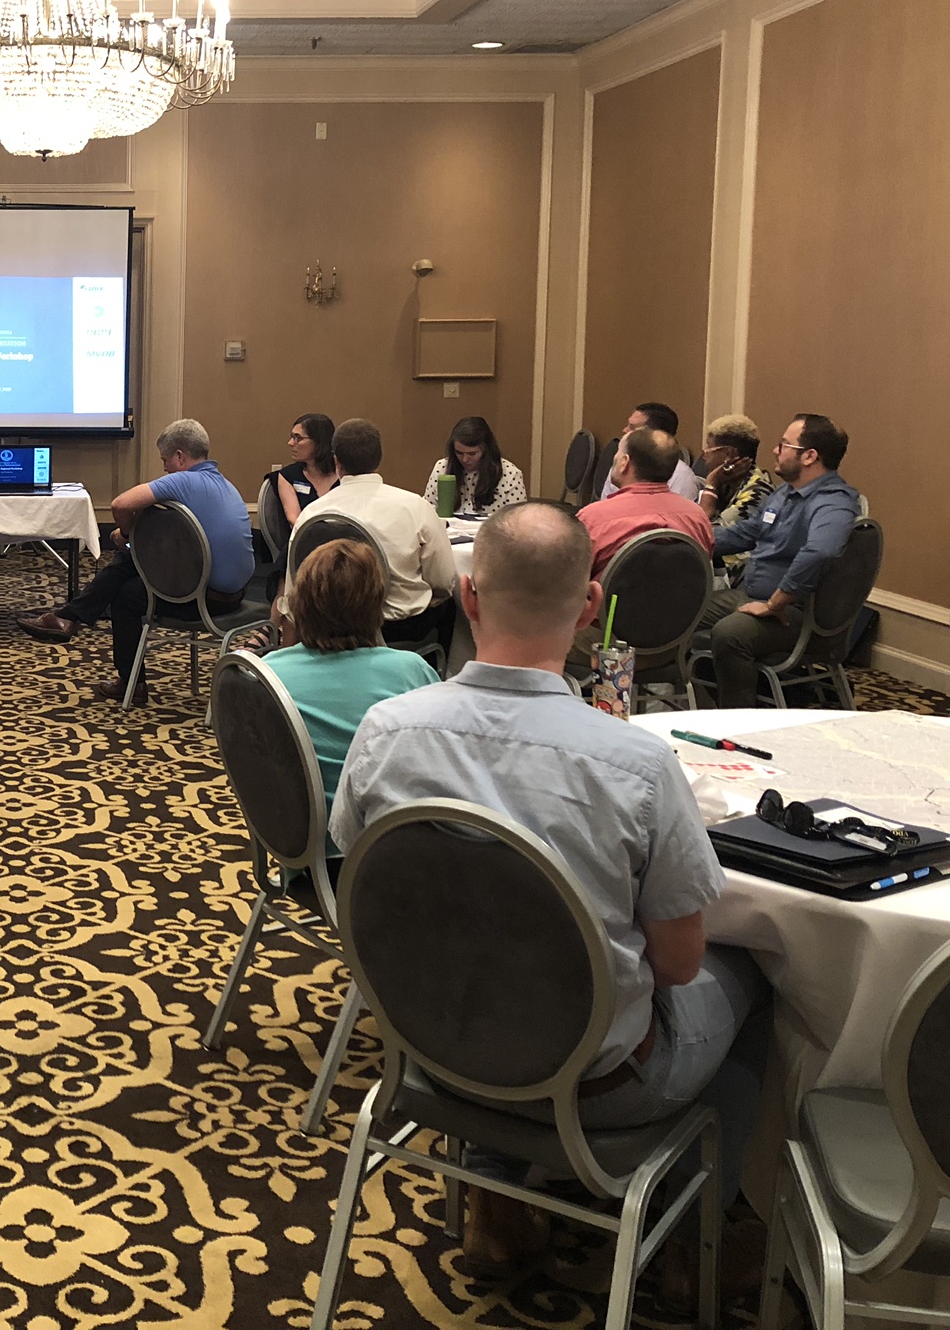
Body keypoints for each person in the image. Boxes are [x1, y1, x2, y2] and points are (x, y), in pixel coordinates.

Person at [331, 501, 768, 1288]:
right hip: (597, 1089)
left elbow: (359, 886)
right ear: (592, 605)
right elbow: (677, 966)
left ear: (468, 596)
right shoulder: (638, 766)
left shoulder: (385, 731)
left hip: (429, 1049)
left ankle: (495, 1204)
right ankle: (695, 1243)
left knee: (486, 951)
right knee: (760, 973)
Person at [15, 418, 252, 703]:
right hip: (235, 594)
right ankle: (69, 618)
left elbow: (120, 504)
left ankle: (128, 680)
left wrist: (127, 535)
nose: (164, 468)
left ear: (180, 456)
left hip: (204, 601)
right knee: (131, 559)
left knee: (126, 595)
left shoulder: (184, 480)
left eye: (165, 460)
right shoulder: (226, 486)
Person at [697, 414, 861, 708]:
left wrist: (775, 603)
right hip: (751, 595)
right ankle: (695, 707)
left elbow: (821, 551)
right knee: (679, 612)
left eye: (784, 445)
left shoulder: (833, 501)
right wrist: (687, 540)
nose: (775, 450)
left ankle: (738, 723)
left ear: (809, 456)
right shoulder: (786, 493)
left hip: (796, 612)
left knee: (730, 635)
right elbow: (748, 532)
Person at [262, 539, 436, 797]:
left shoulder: (265, 674)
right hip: (381, 818)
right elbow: (433, 756)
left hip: (288, 817)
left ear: (299, 601)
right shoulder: (412, 671)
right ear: (377, 604)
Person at [302, 419, 456, 647]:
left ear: (336, 461)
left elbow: (298, 583)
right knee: (449, 607)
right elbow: (443, 580)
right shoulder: (414, 506)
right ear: (379, 458)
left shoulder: (312, 513)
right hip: (397, 628)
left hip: (329, 630)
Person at [578, 426, 714, 578]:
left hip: (610, 595)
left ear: (624, 462)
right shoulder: (697, 517)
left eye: (618, 453)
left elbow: (570, 580)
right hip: (686, 594)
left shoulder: (593, 519)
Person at [695, 414, 777, 585]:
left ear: (728, 454)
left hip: (740, 579)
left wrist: (711, 485)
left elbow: (704, 534)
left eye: (709, 447)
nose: (704, 454)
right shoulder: (727, 483)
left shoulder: (756, 493)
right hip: (716, 570)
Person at [598, 402, 703, 503]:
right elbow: (604, 505)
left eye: (633, 427)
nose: (625, 430)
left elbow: (679, 514)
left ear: (657, 436)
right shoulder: (623, 463)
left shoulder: (682, 477)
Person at [422, 416, 527, 516]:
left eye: (472, 454)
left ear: (486, 450)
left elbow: (516, 518)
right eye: (459, 453)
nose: (465, 459)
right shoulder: (442, 467)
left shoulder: (510, 474)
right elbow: (427, 509)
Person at [272, 413, 337, 528]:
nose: (291, 443)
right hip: (304, 535)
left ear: (318, 441)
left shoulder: (344, 473)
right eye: (292, 437)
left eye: (298, 438)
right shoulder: (288, 475)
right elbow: (294, 520)